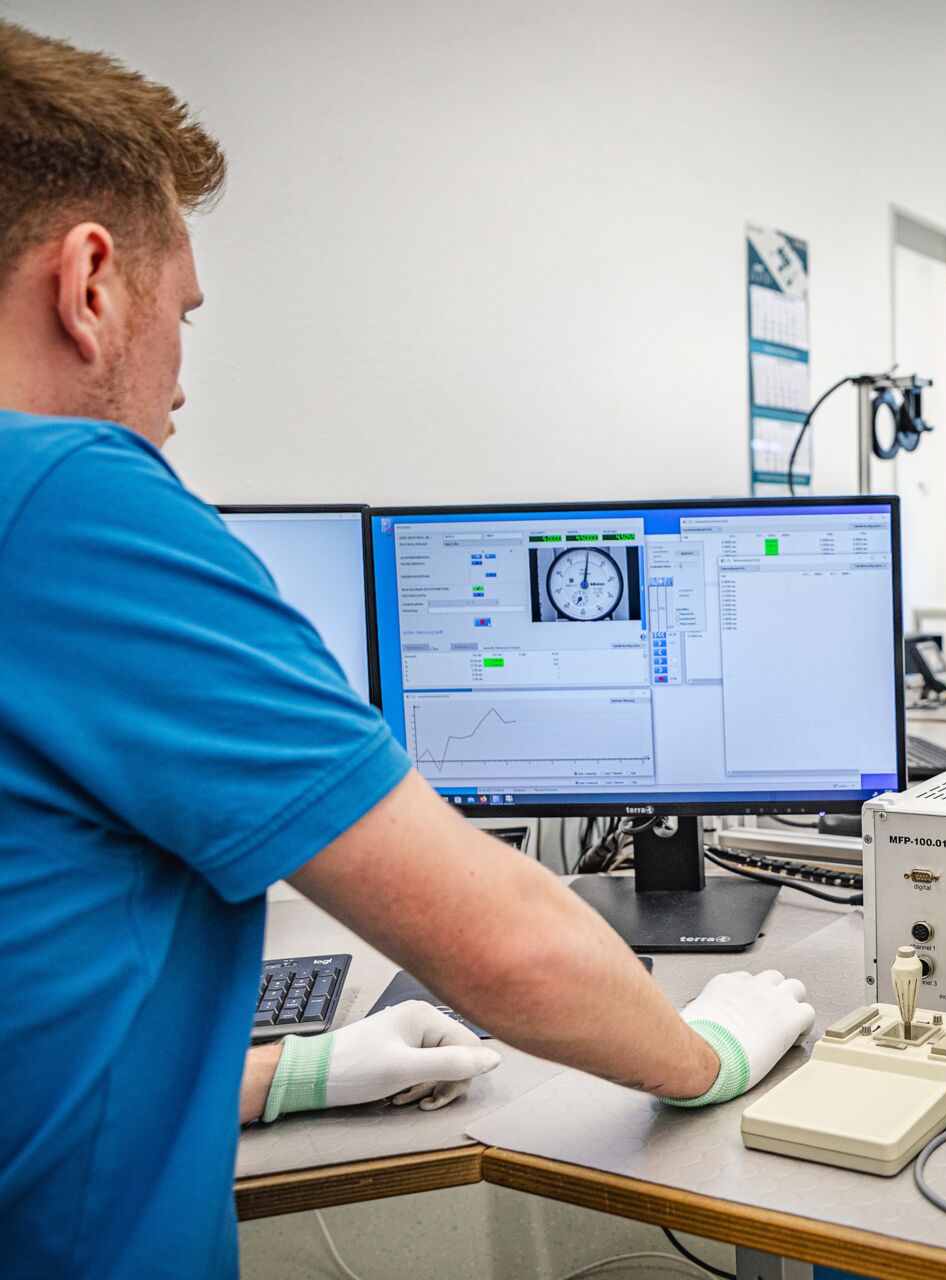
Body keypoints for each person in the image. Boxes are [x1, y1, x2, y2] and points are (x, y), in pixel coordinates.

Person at [0, 24, 814, 1278]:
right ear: (92, 283)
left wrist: (292, 1072)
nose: (180, 384)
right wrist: (711, 1052)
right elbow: (501, 941)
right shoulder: (66, 499)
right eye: (184, 314)